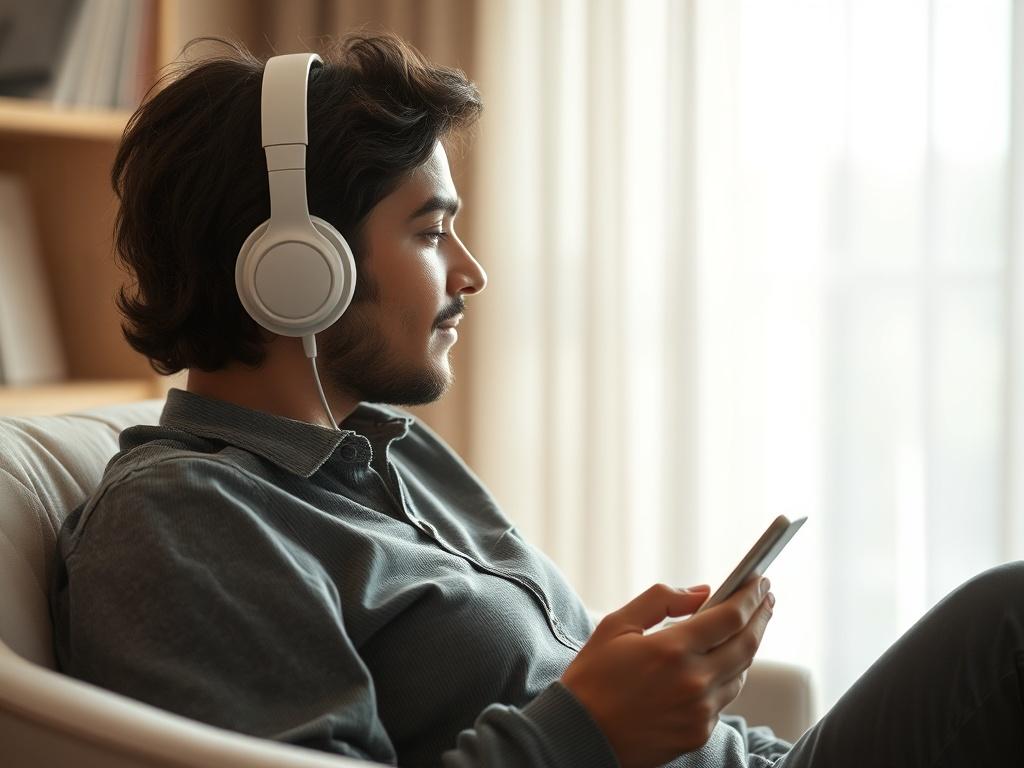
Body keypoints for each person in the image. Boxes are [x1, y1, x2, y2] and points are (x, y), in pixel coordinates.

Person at [49, 32, 1024, 768]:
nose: (471, 274)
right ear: (295, 267)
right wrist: (588, 725)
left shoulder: (396, 452)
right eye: (430, 233)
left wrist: (642, 673)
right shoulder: (182, 520)